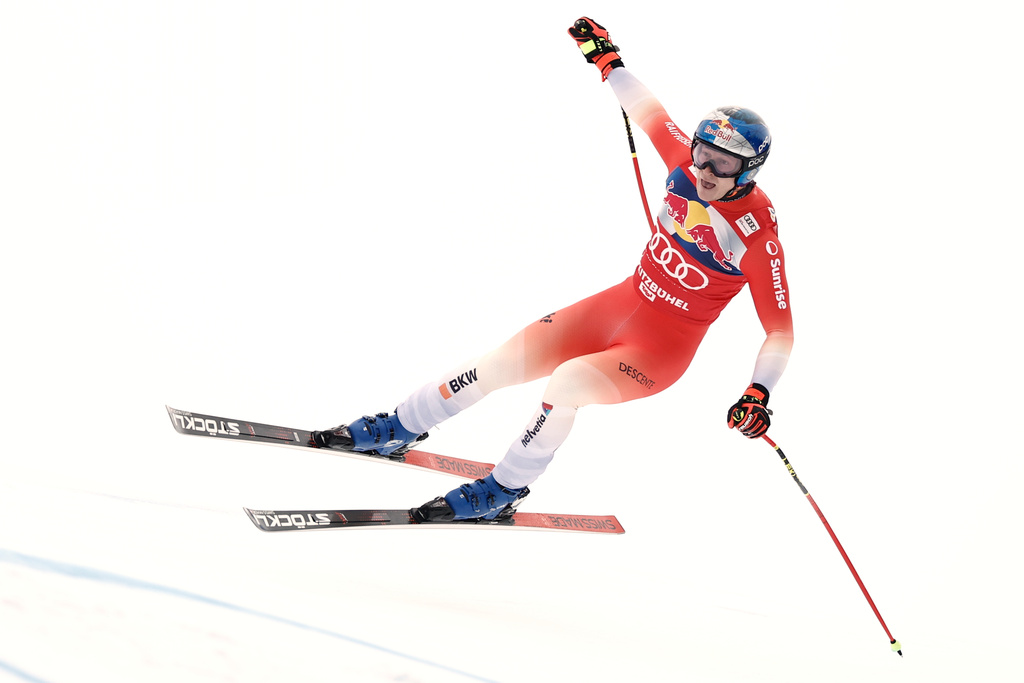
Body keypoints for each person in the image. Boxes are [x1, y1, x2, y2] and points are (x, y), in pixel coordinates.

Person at [311, 17, 794, 522]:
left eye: (723, 165)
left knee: (566, 385)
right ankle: (401, 425)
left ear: (750, 171)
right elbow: (649, 110)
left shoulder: (757, 235)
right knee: (498, 363)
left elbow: (780, 330)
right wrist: (607, 60)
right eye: (702, 153)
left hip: (659, 351)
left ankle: (504, 488)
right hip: (617, 305)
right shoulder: (684, 165)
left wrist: (758, 393)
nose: (705, 171)